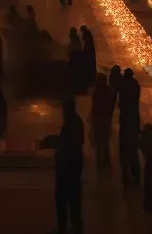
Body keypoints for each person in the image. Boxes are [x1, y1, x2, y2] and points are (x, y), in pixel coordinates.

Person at [39, 97, 84, 234]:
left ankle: (67, 229)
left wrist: (53, 143)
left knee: (65, 201)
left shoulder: (72, 124)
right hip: (71, 168)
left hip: (68, 169)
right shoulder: (74, 122)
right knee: (71, 202)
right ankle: (72, 228)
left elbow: (68, 145)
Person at [118, 68, 141, 186]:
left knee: (125, 151)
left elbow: (121, 102)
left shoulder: (124, 87)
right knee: (133, 151)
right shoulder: (135, 85)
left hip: (126, 121)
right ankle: (136, 175)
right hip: (133, 121)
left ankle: (126, 174)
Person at [90, 71, 117, 168]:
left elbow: (95, 106)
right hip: (106, 118)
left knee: (99, 141)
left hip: (99, 118)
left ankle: (99, 162)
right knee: (105, 141)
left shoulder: (97, 92)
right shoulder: (110, 91)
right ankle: (107, 160)